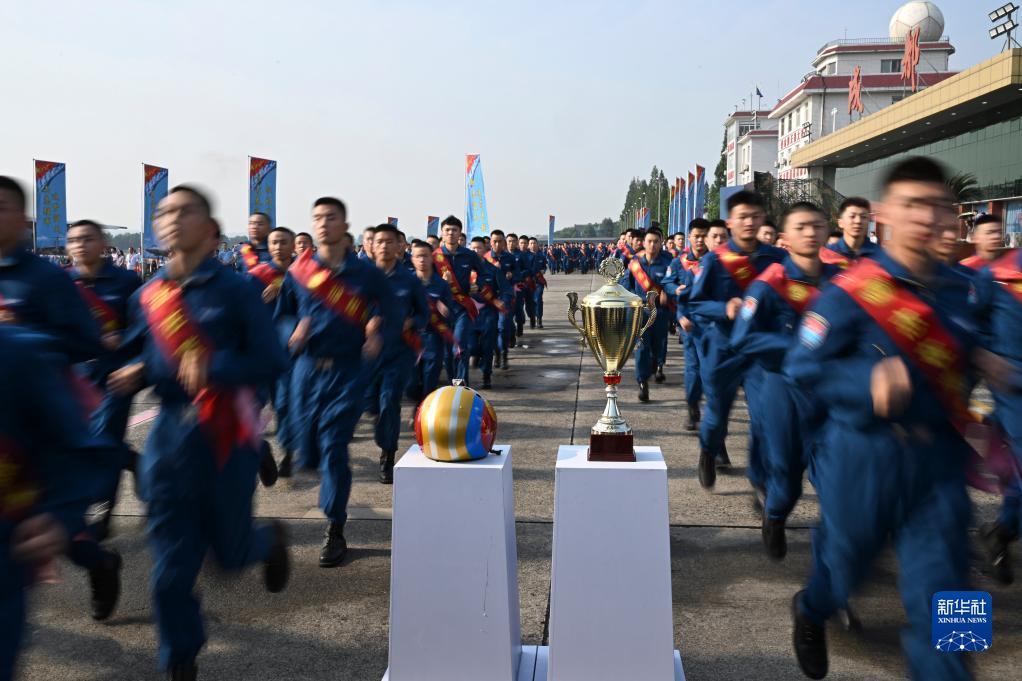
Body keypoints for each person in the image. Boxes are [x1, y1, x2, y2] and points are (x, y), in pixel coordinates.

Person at [786, 157, 1008, 681]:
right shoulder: (851, 290)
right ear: (886, 213)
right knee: (843, 573)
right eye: (914, 206)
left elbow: (972, 344)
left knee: (954, 594)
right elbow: (801, 365)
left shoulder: (964, 288)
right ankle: (811, 607)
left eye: (940, 208)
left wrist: (986, 360)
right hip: (864, 456)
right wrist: (865, 385)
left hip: (938, 462)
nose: (928, 219)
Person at [108, 185, 290, 680]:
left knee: (229, 556)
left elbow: (272, 358)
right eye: (165, 211)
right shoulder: (147, 296)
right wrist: (136, 372)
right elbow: (146, 355)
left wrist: (216, 364)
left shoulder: (236, 290)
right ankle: (180, 661)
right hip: (168, 445)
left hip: (225, 437)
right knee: (169, 570)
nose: (171, 218)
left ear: (210, 232)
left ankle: (267, 540)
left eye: (184, 211)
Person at [276, 197, 398, 567]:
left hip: (348, 370)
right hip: (307, 370)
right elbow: (282, 315)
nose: (323, 223)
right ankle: (316, 471)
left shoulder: (365, 274)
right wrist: (292, 330)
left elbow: (392, 310)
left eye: (331, 217)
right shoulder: (299, 272)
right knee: (305, 448)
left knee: (333, 446)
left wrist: (378, 332)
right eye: (317, 218)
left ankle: (334, 526)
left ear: (344, 225)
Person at [0, 327, 120, 681]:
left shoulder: (18, 356)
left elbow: (75, 447)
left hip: (13, 540)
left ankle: (101, 563)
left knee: (76, 541)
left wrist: (59, 513)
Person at [725, 202, 839, 560]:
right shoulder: (769, 285)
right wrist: (797, 347)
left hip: (832, 389)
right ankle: (775, 515)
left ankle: (836, 562)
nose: (810, 233)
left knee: (837, 481)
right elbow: (741, 338)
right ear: (785, 237)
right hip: (782, 388)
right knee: (787, 477)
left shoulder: (841, 281)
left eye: (817, 225)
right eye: (801, 227)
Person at [688, 192, 786, 490]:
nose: (750, 223)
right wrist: (723, 308)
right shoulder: (715, 261)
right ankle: (708, 449)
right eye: (743, 217)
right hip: (724, 349)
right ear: (731, 222)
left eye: (755, 216)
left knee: (765, 419)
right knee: (717, 416)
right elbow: (695, 303)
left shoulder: (777, 258)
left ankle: (761, 482)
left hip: (762, 352)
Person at [67, 219, 143, 543]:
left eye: (88, 239)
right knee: (86, 442)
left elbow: (145, 329)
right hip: (77, 376)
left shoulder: (126, 281)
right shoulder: (61, 283)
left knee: (105, 437)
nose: (81, 245)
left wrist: (122, 337)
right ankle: (134, 461)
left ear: (103, 244)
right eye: (75, 240)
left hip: (117, 375)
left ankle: (105, 512)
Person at [972, 243, 1022, 585]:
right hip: (1012, 389)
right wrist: (987, 360)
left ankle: (1002, 531)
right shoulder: (997, 275)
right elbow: (970, 328)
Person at [367, 224, 427, 482]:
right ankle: (382, 429)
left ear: (399, 246)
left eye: (389, 241)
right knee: (372, 405)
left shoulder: (409, 280)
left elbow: (424, 314)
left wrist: (410, 322)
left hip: (398, 352)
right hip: (366, 354)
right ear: (371, 245)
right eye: (379, 241)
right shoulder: (360, 278)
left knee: (390, 400)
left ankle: (387, 455)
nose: (384, 246)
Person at [247, 227, 298, 478]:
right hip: (258, 352)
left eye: (283, 242)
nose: (278, 247)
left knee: (284, 405)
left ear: (293, 246)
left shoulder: (302, 276)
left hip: (288, 353)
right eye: (274, 242)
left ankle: (288, 453)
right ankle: (257, 450)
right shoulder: (257, 275)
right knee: (252, 405)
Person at [434, 217, 492, 386]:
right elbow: (426, 283)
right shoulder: (434, 257)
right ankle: (452, 383)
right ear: (442, 234)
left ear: (460, 233)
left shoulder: (469, 255)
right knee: (446, 353)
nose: (451, 233)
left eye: (454, 230)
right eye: (447, 230)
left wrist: (477, 285)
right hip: (442, 309)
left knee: (459, 347)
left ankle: (460, 383)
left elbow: (485, 275)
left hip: (462, 308)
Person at [664, 219, 710, 430]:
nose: (700, 240)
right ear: (689, 237)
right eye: (696, 236)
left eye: (703, 236)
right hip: (690, 323)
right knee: (693, 369)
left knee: (711, 372)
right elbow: (667, 282)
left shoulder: (714, 260)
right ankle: (693, 407)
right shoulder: (679, 262)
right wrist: (676, 290)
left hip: (714, 325)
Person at [626, 228, 673, 401]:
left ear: (661, 243)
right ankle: (642, 383)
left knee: (659, 345)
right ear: (644, 243)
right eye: (649, 241)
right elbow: (626, 285)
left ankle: (657, 363)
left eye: (656, 241)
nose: (652, 244)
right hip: (642, 312)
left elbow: (674, 282)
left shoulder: (668, 263)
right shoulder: (635, 264)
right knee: (643, 347)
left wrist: (668, 291)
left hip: (661, 313)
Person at [408, 240, 455, 412]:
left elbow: (452, 314)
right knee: (410, 383)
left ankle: (421, 412)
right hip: (410, 338)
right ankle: (417, 401)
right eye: (418, 256)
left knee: (430, 380)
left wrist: (445, 311)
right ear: (412, 259)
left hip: (433, 337)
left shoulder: (441, 285)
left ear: (432, 258)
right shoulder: (407, 282)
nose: (422, 260)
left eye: (425, 256)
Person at [469, 236, 505, 388]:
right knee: (469, 346)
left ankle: (486, 376)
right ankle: (477, 355)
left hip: (488, 313)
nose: (476, 251)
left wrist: (503, 301)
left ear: (485, 250)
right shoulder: (462, 271)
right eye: (473, 249)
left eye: (479, 248)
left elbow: (506, 290)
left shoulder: (493, 270)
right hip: (469, 314)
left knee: (488, 345)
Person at [486, 229, 518, 369]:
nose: (497, 244)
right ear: (490, 242)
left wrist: (512, 276)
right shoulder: (486, 258)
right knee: (491, 328)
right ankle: (496, 354)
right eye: (494, 241)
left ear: (504, 242)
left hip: (505, 297)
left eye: (500, 241)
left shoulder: (510, 258)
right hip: (489, 298)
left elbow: (518, 274)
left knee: (503, 326)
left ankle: (504, 354)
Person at [821, 197, 876, 266]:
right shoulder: (826, 255)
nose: (858, 221)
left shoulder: (880, 256)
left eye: (863, 217)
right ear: (840, 223)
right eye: (852, 216)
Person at [528, 237, 548, 328]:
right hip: (528, 282)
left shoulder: (542, 256)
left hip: (538, 282)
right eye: (531, 243)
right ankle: (532, 317)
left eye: (534, 243)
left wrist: (543, 270)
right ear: (529, 245)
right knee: (530, 302)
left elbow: (544, 266)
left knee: (538, 299)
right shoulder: (525, 256)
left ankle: (539, 319)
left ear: (537, 244)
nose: (533, 245)